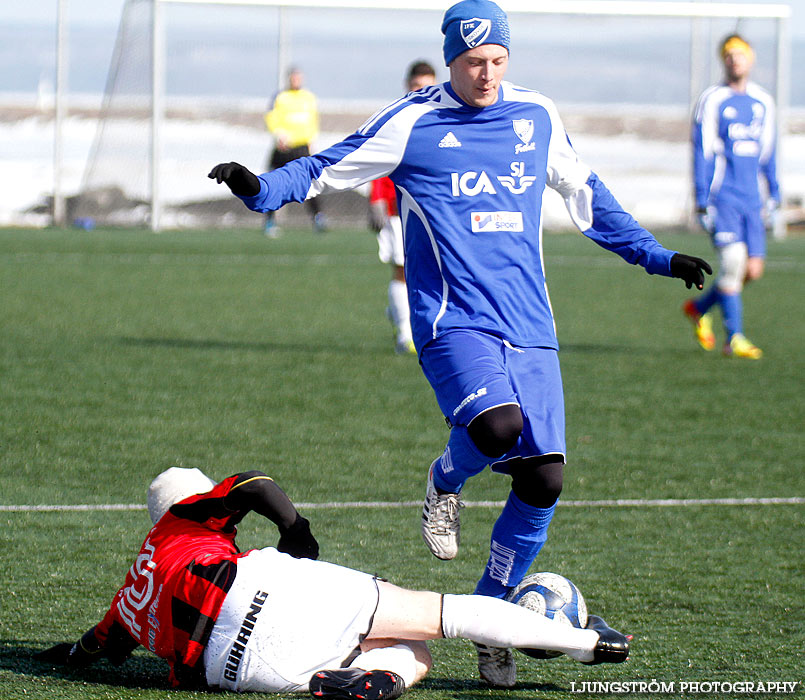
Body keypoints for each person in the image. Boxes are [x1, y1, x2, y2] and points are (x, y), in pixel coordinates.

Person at [208, 0, 710, 686]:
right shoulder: (414, 120)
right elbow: (327, 165)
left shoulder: (535, 116)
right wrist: (259, 189)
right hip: (452, 320)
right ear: (450, 59)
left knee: (544, 479)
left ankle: (490, 618)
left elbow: (585, 192)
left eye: (498, 60)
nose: (487, 74)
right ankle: (445, 479)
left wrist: (653, 255)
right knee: (498, 426)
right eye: (474, 62)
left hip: (529, 324)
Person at [34, 467, 630, 699]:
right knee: (437, 615)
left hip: (234, 673)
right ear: (191, 499)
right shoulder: (183, 516)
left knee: (409, 654)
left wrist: (54, 656)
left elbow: (93, 649)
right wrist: (297, 531)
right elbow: (256, 485)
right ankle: (587, 644)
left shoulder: (128, 596)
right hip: (252, 589)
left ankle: (383, 680)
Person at [684, 34, 780, 360]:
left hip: (752, 200)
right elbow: (703, 150)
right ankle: (733, 338)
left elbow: (769, 152)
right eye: (728, 54)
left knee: (751, 270)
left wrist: (774, 192)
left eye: (740, 54)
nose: (734, 59)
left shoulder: (763, 102)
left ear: (750, 59)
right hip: (723, 197)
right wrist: (700, 198)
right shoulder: (713, 100)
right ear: (723, 60)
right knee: (733, 263)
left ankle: (699, 308)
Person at [369, 61, 438, 355]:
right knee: (402, 270)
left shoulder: (447, 119)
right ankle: (405, 336)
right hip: (400, 212)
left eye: (427, 86)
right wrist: (377, 200)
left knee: (433, 273)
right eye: (416, 86)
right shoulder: (395, 120)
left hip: (437, 213)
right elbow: (376, 161)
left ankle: (402, 313)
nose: (422, 92)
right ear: (407, 87)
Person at [264, 67, 327, 236]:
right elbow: (271, 118)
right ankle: (270, 221)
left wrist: (312, 142)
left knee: (309, 184)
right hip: (283, 148)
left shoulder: (309, 98)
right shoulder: (280, 97)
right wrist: (279, 135)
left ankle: (317, 218)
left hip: (302, 148)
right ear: (289, 79)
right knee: (275, 182)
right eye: (293, 78)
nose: (296, 80)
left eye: (299, 78)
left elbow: (313, 121)